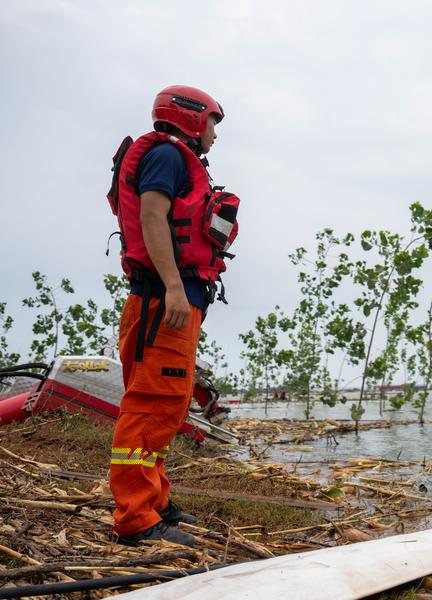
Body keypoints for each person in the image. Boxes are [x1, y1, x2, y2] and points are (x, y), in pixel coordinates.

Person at [105, 85, 240, 546]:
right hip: (162, 301)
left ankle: (155, 501)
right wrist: (175, 287)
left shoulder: (177, 158)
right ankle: (136, 519)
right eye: (213, 124)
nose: (215, 135)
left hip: (168, 302)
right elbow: (151, 217)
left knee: (169, 404)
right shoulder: (166, 157)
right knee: (151, 404)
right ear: (190, 118)